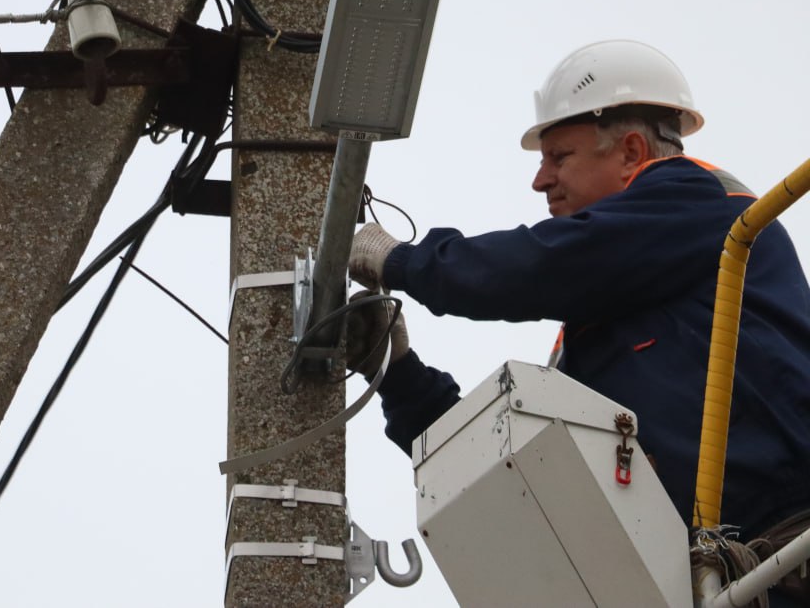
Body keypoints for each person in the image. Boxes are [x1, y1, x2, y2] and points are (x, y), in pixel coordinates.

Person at [344, 40, 810, 565]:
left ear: (631, 152)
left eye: (560, 157)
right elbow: (514, 465)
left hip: (784, 545)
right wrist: (398, 373)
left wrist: (403, 261)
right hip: (714, 571)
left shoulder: (699, 202)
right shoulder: (604, 328)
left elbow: (537, 265)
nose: (540, 180)